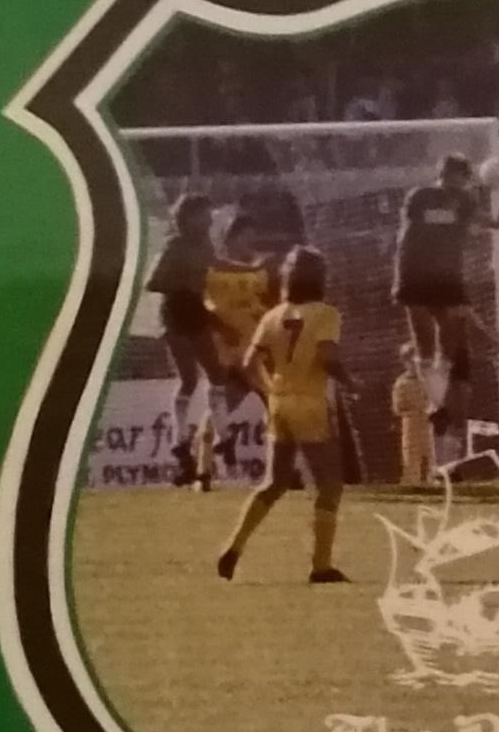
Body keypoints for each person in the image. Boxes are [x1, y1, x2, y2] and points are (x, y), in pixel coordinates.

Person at [217, 247, 352, 584]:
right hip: (311, 403)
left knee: (274, 482)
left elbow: (249, 364)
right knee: (330, 485)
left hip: (280, 402)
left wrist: (269, 390)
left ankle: (234, 546)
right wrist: (351, 382)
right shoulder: (326, 313)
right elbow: (327, 356)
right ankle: (321, 566)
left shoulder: (273, 316)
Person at [390, 147, 499, 471]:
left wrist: (496, 219)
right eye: (452, 175)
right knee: (424, 341)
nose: (456, 181)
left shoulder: (465, 201)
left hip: (449, 276)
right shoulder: (421, 196)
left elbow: (481, 221)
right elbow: (419, 227)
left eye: (462, 177)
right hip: (416, 273)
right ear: (443, 174)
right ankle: (436, 405)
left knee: (449, 340)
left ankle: (440, 410)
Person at [194, 213, 278, 488]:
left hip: (256, 352)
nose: (250, 244)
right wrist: (220, 327)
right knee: (219, 410)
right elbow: (201, 307)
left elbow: (267, 302)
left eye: (253, 238)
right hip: (228, 355)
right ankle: (203, 472)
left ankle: (277, 472)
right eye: (245, 238)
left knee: (277, 408)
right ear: (229, 240)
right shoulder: (213, 271)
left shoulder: (259, 271)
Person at [146, 192, 219, 485]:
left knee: (217, 375)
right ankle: (180, 442)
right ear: (187, 218)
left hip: (198, 311)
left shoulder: (206, 245)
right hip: (176, 312)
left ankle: (217, 439)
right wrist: (183, 284)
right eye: (203, 215)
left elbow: (213, 273)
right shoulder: (174, 246)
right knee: (189, 378)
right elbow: (153, 282)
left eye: (209, 215)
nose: (209, 220)